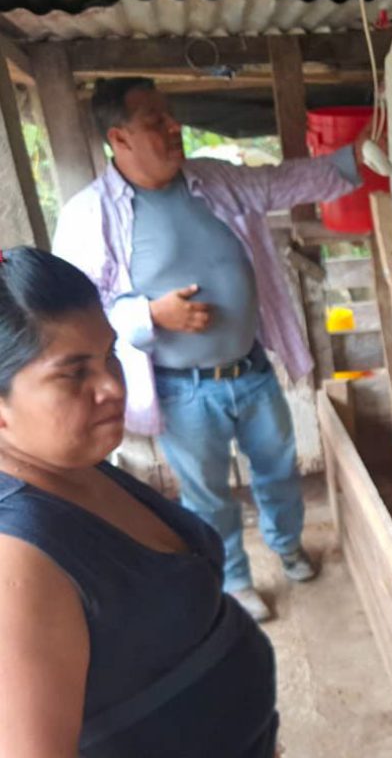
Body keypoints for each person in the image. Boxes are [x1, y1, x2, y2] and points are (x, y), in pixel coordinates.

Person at [54, 77, 366, 621]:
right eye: (155, 121)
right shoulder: (90, 216)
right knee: (208, 496)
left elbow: (277, 182)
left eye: (170, 115)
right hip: (182, 389)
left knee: (278, 469)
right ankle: (236, 580)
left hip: (252, 369)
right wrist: (150, 315)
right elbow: (76, 313)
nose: (174, 126)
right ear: (119, 138)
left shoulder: (211, 180)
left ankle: (288, 545)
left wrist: (352, 160)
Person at [0, 246, 278, 757]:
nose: (112, 384)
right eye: (73, 373)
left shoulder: (76, 467)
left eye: (109, 354)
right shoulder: (17, 568)